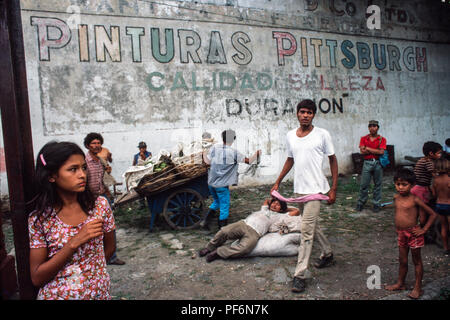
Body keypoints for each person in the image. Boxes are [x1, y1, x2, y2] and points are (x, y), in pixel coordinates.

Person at [28, 141, 115, 299]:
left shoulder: (100, 206)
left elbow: (109, 249)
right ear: (51, 176)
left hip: (99, 293)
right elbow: (37, 277)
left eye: (83, 168)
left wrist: (92, 275)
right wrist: (74, 242)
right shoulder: (40, 219)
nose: (82, 174)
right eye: (72, 169)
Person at [271, 99, 338, 294]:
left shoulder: (322, 135)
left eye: (309, 112)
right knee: (311, 225)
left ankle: (299, 275)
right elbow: (290, 160)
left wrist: (333, 188)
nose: (305, 115)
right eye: (302, 112)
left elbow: (333, 160)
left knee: (306, 231)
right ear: (297, 114)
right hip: (300, 190)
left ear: (313, 115)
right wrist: (278, 181)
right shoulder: (291, 135)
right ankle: (327, 253)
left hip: (316, 190)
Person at [385, 168, 437, 299]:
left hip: (413, 234)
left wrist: (423, 230)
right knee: (402, 260)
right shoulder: (396, 197)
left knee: (417, 261)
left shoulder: (415, 200)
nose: (400, 187)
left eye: (404, 184)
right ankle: (400, 283)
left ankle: (417, 288)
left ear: (412, 185)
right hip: (401, 233)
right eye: (398, 184)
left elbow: (432, 214)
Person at [198, 198, 300, 262]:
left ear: (281, 209)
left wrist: (284, 208)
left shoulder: (280, 216)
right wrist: (277, 200)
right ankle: (210, 247)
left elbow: (296, 211)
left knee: (245, 249)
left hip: (255, 233)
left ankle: (218, 252)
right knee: (224, 231)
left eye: (278, 205)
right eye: (274, 203)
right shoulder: (264, 209)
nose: (274, 205)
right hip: (244, 224)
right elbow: (267, 200)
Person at [201, 129, 261, 229]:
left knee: (216, 202)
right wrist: (257, 154)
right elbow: (249, 161)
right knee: (225, 206)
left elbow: (207, 162)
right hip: (221, 185)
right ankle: (222, 228)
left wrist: (203, 153)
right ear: (233, 139)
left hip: (211, 183)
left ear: (222, 138)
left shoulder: (215, 148)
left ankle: (205, 221)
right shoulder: (234, 153)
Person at [84, 133, 125, 265]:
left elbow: (103, 179)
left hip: (102, 197)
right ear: (87, 145)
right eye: (93, 143)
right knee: (93, 230)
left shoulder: (100, 160)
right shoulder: (84, 161)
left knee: (109, 228)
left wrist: (107, 195)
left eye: (98, 143)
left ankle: (111, 257)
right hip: (89, 199)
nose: (96, 146)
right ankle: (94, 258)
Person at [355, 120, 387, 212]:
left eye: (375, 126)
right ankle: (361, 203)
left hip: (378, 163)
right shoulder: (363, 138)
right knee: (364, 185)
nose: (372, 128)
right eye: (371, 126)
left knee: (378, 185)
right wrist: (375, 150)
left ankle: (376, 204)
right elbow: (362, 151)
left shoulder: (382, 139)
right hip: (367, 162)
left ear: (378, 127)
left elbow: (381, 152)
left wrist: (368, 148)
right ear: (368, 128)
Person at [411, 141, 442, 226]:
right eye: (439, 153)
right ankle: (422, 229)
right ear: (431, 153)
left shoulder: (422, 160)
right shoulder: (428, 162)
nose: (440, 155)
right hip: (421, 188)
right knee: (423, 211)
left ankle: (416, 226)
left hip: (416, 187)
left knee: (417, 209)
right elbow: (436, 176)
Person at [431, 158, 450, 254]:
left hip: (439, 205)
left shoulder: (435, 181)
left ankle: (446, 248)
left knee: (443, 227)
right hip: (448, 205)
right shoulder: (449, 180)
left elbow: (434, 195)